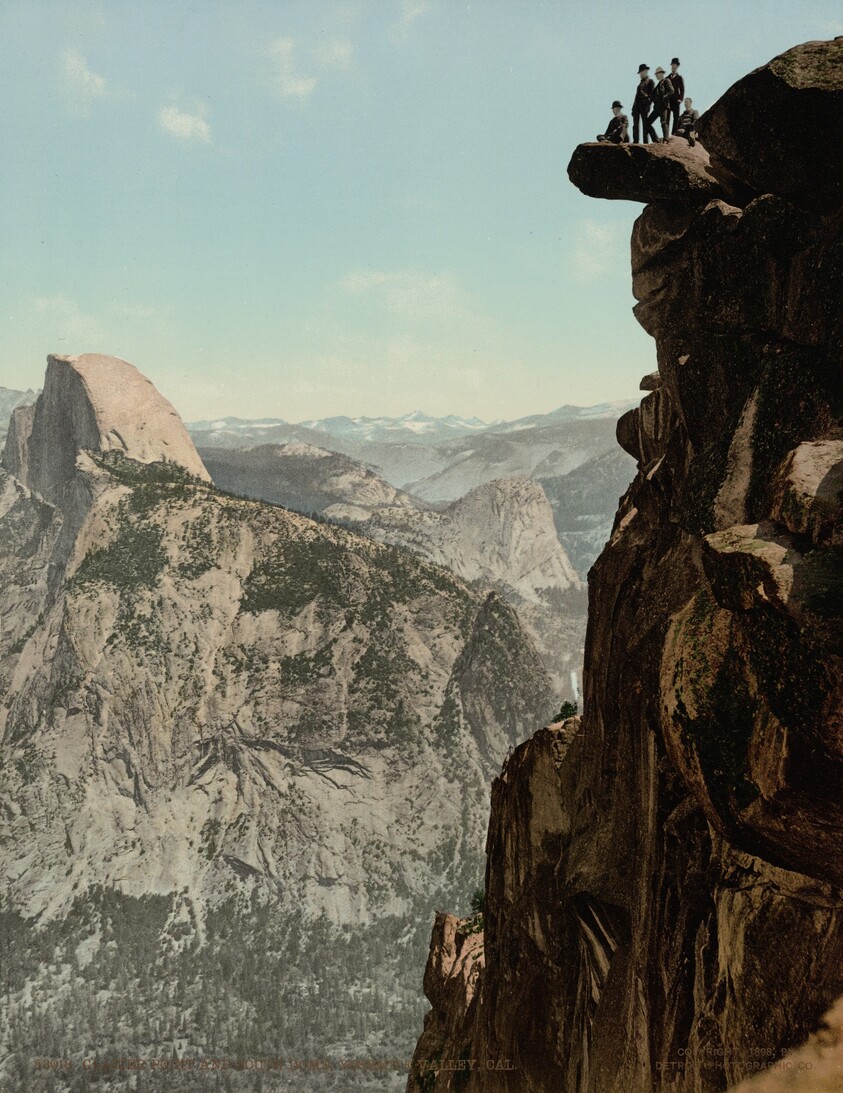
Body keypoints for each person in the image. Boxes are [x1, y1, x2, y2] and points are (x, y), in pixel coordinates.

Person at [632, 64, 657, 144]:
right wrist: (633, 107)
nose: (641, 74)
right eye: (640, 72)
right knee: (635, 124)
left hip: (644, 106)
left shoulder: (650, 82)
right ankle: (635, 141)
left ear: (646, 72)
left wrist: (647, 103)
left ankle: (645, 142)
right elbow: (636, 97)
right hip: (637, 106)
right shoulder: (640, 83)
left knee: (645, 124)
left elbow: (652, 96)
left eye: (642, 72)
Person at [652, 66, 675, 143]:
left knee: (664, 122)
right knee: (647, 122)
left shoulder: (666, 81)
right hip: (657, 107)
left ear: (661, 74)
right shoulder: (657, 85)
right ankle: (655, 139)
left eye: (657, 74)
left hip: (663, 106)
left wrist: (664, 97)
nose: (656, 76)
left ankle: (666, 139)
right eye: (656, 74)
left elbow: (671, 90)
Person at [669, 58, 685, 135]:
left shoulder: (679, 78)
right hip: (668, 100)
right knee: (667, 117)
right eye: (672, 65)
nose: (673, 67)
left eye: (675, 65)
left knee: (676, 117)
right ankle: (666, 134)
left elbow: (682, 89)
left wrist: (680, 99)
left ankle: (674, 133)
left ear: (677, 66)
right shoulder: (667, 78)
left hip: (676, 100)